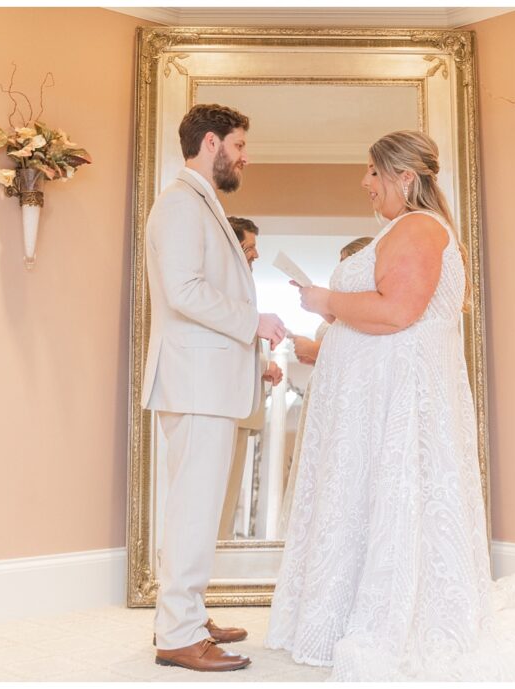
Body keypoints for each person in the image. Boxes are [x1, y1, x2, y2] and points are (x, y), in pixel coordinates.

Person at [264, 130, 515, 681]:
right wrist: (334, 314)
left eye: (374, 173)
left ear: (406, 178)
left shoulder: (420, 228)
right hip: (376, 401)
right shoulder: (402, 229)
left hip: (400, 403)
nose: (364, 183)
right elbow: (386, 312)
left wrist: (326, 300)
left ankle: (398, 624)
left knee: (399, 502)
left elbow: (400, 311)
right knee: (371, 505)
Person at [141, 103, 286, 673]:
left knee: (195, 509)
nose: (246, 157)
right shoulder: (180, 205)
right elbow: (183, 291)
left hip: (205, 383)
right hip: (195, 384)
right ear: (211, 143)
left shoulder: (201, 205)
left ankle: (187, 615)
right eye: (240, 145)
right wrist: (253, 322)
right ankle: (177, 634)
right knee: (192, 512)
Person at [277, 236, 373, 536]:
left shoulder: (372, 307)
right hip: (326, 402)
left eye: (347, 264)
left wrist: (315, 349)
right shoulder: (348, 309)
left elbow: (362, 349)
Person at [219, 216, 283, 540]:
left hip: (241, 410)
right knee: (219, 496)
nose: (256, 255)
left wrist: (262, 370)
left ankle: (220, 552)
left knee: (229, 498)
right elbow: (224, 349)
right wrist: (261, 366)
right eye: (250, 247)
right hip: (224, 408)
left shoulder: (243, 286)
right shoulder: (222, 289)